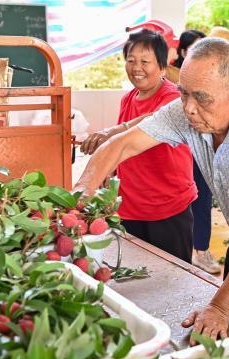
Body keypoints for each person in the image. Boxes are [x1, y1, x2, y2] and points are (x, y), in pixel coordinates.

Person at [74, 38, 229, 342]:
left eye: (201, 98)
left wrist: (219, 308)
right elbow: (123, 144)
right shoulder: (187, 110)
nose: (189, 108)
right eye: (183, 93)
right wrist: (80, 196)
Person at [80, 29, 197, 263]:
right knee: (135, 275)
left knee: (172, 278)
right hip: (130, 208)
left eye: (145, 61)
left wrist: (114, 131)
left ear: (162, 67)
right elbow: (122, 148)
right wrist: (107, 174)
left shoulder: (173, 98)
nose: (136, 67)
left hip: (168, 210)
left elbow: (154, 119)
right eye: (131, 60)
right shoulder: (128, 98)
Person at [170, 29, 220, 274]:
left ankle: (201, 249)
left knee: (203, 197)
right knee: (181, 201)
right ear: (181, 53)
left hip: (202, 146)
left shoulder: (211, 80)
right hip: (177, 151)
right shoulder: (171, 79)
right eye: (194, 50)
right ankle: (183, 250)